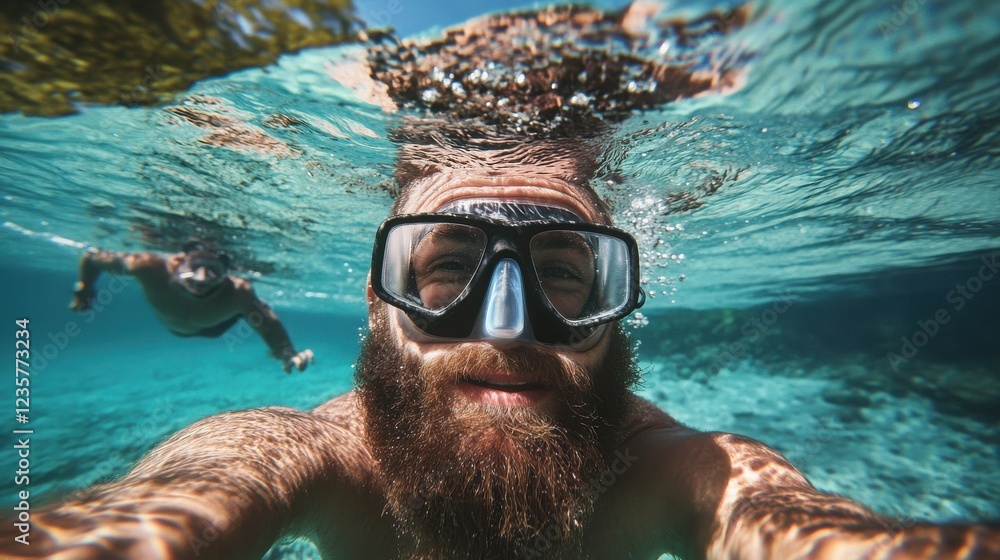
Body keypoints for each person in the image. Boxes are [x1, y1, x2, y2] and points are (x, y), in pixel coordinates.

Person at [3, 4, 998, 559]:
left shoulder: (682, 471)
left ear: (622, 308)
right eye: (443, 271)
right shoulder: (303, 455)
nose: (510, 328)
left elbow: (807, 534)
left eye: (570, 277)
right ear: (375, 301)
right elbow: (183, 504)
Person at [70, 239, 314, 373]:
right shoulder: (148, 268)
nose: (202, 278)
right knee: (248, 306)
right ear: (178, 261)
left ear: (225, 273)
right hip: (176, 326)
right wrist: (85, 287)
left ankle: (246, 313)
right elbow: (93, 257)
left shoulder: (237, 291)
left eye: (214, 270)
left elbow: (268, 325)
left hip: (215, 327)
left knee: (252, 308)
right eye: (195, 266)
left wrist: (287, 354)